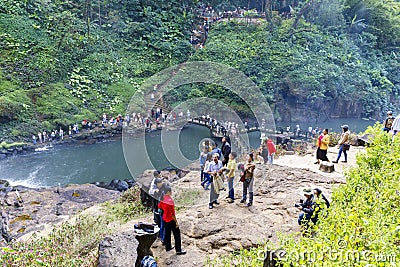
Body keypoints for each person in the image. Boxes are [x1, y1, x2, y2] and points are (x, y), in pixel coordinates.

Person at [158, 185, 186, 255]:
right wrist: (176, 222)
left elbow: (159, 206)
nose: (171, 192)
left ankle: (168, 247)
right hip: (170, 219)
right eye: (171, 191)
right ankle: (178, 250)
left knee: (167, 233)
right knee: (177, 234)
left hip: (165, 218)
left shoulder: (163, 198)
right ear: (168, 192)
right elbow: (172, 214)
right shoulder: (170, 200)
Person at [149, 176, 166, 243]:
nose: (162, 183)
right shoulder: (157, 191)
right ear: (157, 184)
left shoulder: (158, 190)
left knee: (161, 224)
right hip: (161, 210)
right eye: (160, 182)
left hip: (159, 210)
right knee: (163, 225)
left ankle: (161, 237)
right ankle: (163, 239)